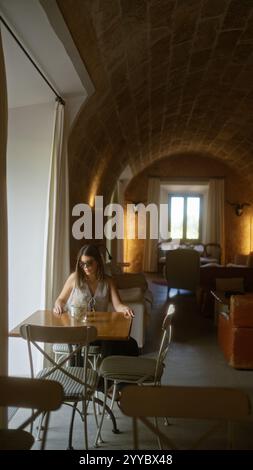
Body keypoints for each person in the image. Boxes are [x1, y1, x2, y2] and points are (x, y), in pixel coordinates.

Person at [53, 243, 139, 364]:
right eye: (82, 264)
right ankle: (101, 378)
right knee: (112, 343)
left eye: (89, 263)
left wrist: (125, 308)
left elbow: (118, 305)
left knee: (130, 344)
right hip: (76, 330)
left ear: (98, 261)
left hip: (99, 332)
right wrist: (58, 305)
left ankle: (106, 376)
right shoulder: (74, 278)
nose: (86, 267)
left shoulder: (108, 281)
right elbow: (60, 300)